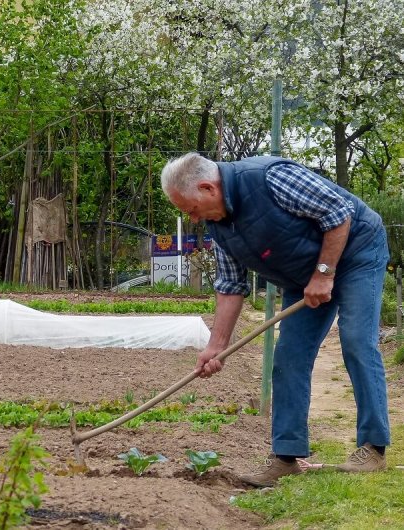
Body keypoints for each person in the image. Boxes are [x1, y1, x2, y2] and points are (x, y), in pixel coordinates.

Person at [160, 153, 390, 487]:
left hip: (357, 251)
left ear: (208, 187)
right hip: (302, 276)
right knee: (289, 357)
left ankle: (372, 448)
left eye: (190, 209)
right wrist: (216, 346)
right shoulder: (220, 227)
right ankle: (286, 457)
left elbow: (339, 213)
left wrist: (324, 273)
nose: (193, 219)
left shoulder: (269, 177)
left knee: (356, 339)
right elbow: (230, 286)